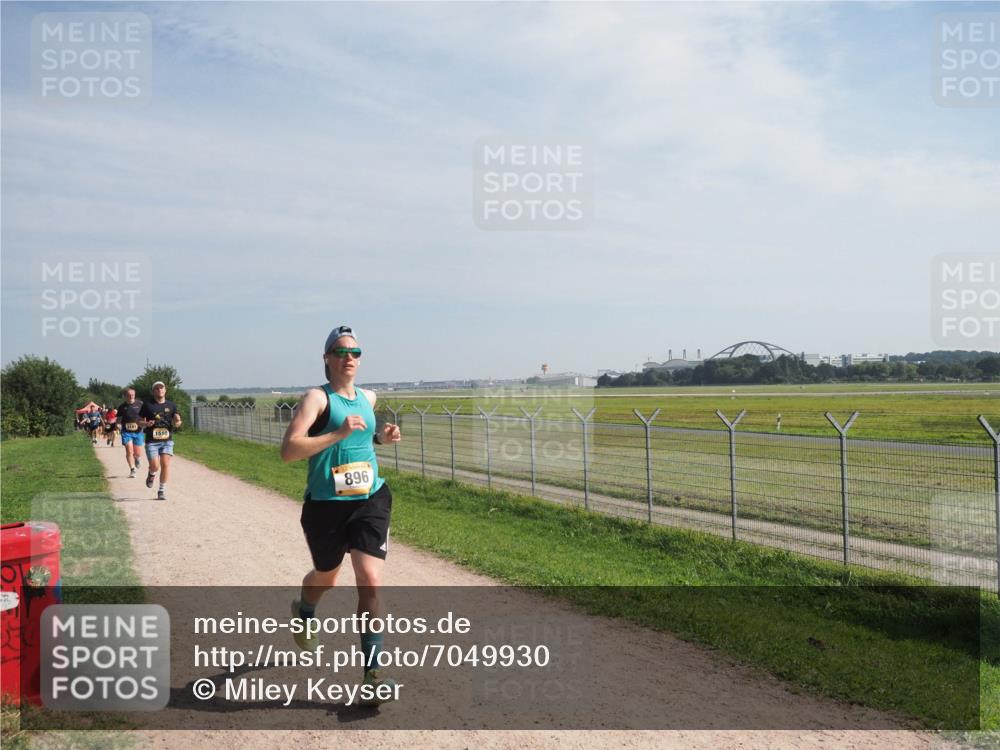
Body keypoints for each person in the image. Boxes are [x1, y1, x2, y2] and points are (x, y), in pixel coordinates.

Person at [280, 325, 401, 706]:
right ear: (327, 358)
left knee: (371, 580)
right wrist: (336, 434)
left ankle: (372, 676)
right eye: (341, 351)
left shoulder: (369, 397)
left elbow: (361, 438)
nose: (349, 357)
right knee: (326, 578)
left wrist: (382, 438)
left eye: (355, 352)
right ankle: (305, 610)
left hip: (370, 499)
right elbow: (289, 450)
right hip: (326, 506)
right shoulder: (317, 398)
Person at [140, 381, 182, 501]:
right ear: (153, 391)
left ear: (165, 390)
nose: (159, 390)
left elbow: (177, 423)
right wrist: (146, 423)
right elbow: (139, 421)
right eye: (157, 388)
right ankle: (151, 474)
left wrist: (177, 421)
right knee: (155, 466)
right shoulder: (147, 405)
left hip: (167, 441)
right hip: (152, 441)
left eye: (161, 388)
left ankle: (161, 490)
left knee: (165, 464)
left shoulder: (171, 405)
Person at [116, 388, 145, 478]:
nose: (131, 396)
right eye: (129, 395)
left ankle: (137, 458)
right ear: (125, 396)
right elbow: (118, 419)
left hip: (138, 431)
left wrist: (145, 423)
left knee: (137, 453)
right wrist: (118, 425)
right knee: (129, 450)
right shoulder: (122, 407)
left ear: (135, 395)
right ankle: (132, 470)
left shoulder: (140, 404)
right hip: (126, 432)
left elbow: (145, 416)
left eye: (132, 395)